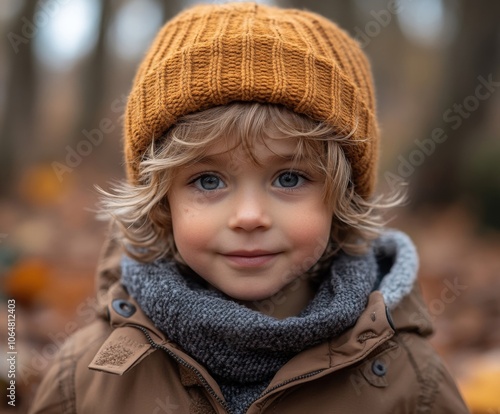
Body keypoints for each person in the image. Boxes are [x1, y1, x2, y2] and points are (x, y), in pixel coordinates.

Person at [29, 2, 470, 413]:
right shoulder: (88, 379)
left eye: (289, 178)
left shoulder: (411, 384)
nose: (248, 217)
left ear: (344, 195)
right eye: (208, 180)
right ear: (161, 201)